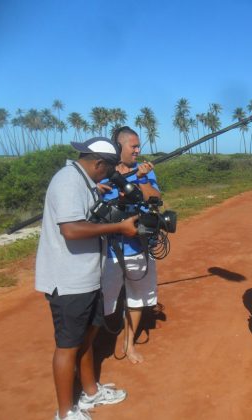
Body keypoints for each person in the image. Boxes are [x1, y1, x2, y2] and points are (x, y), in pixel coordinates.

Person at [35, 137, 138, 420]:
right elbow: (70, 229)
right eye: (107, 170)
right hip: (68, 280)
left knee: (87, 338)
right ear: (98, 163)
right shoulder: (68, 182)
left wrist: (97, 192)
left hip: (88, 276)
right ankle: (65, 412)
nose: (108, 175)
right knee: (68, 346)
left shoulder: (84, 183)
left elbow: (85, 212)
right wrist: (118, 226)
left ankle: (91, 392)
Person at [100, 126, 161, 364]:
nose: (138, 150)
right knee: (105, 299)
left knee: (137, 298)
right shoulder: (103, 172)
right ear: (119, 147)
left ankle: (129, 343)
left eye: (138, 146)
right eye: (133, 146)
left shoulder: (143, 171)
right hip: (110, 250)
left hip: (139, 246)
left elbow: (154, 197)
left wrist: (142, 178)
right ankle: (99, 343)